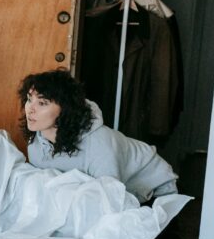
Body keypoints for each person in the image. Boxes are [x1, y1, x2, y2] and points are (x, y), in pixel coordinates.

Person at [18, 69, 177, 202]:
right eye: (29, 99)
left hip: (155, 190)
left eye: (42, 103)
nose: (30, 109)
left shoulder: (99, 144)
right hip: (102, 193)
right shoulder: (35, 142)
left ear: (65, 109)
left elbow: (110, 199)